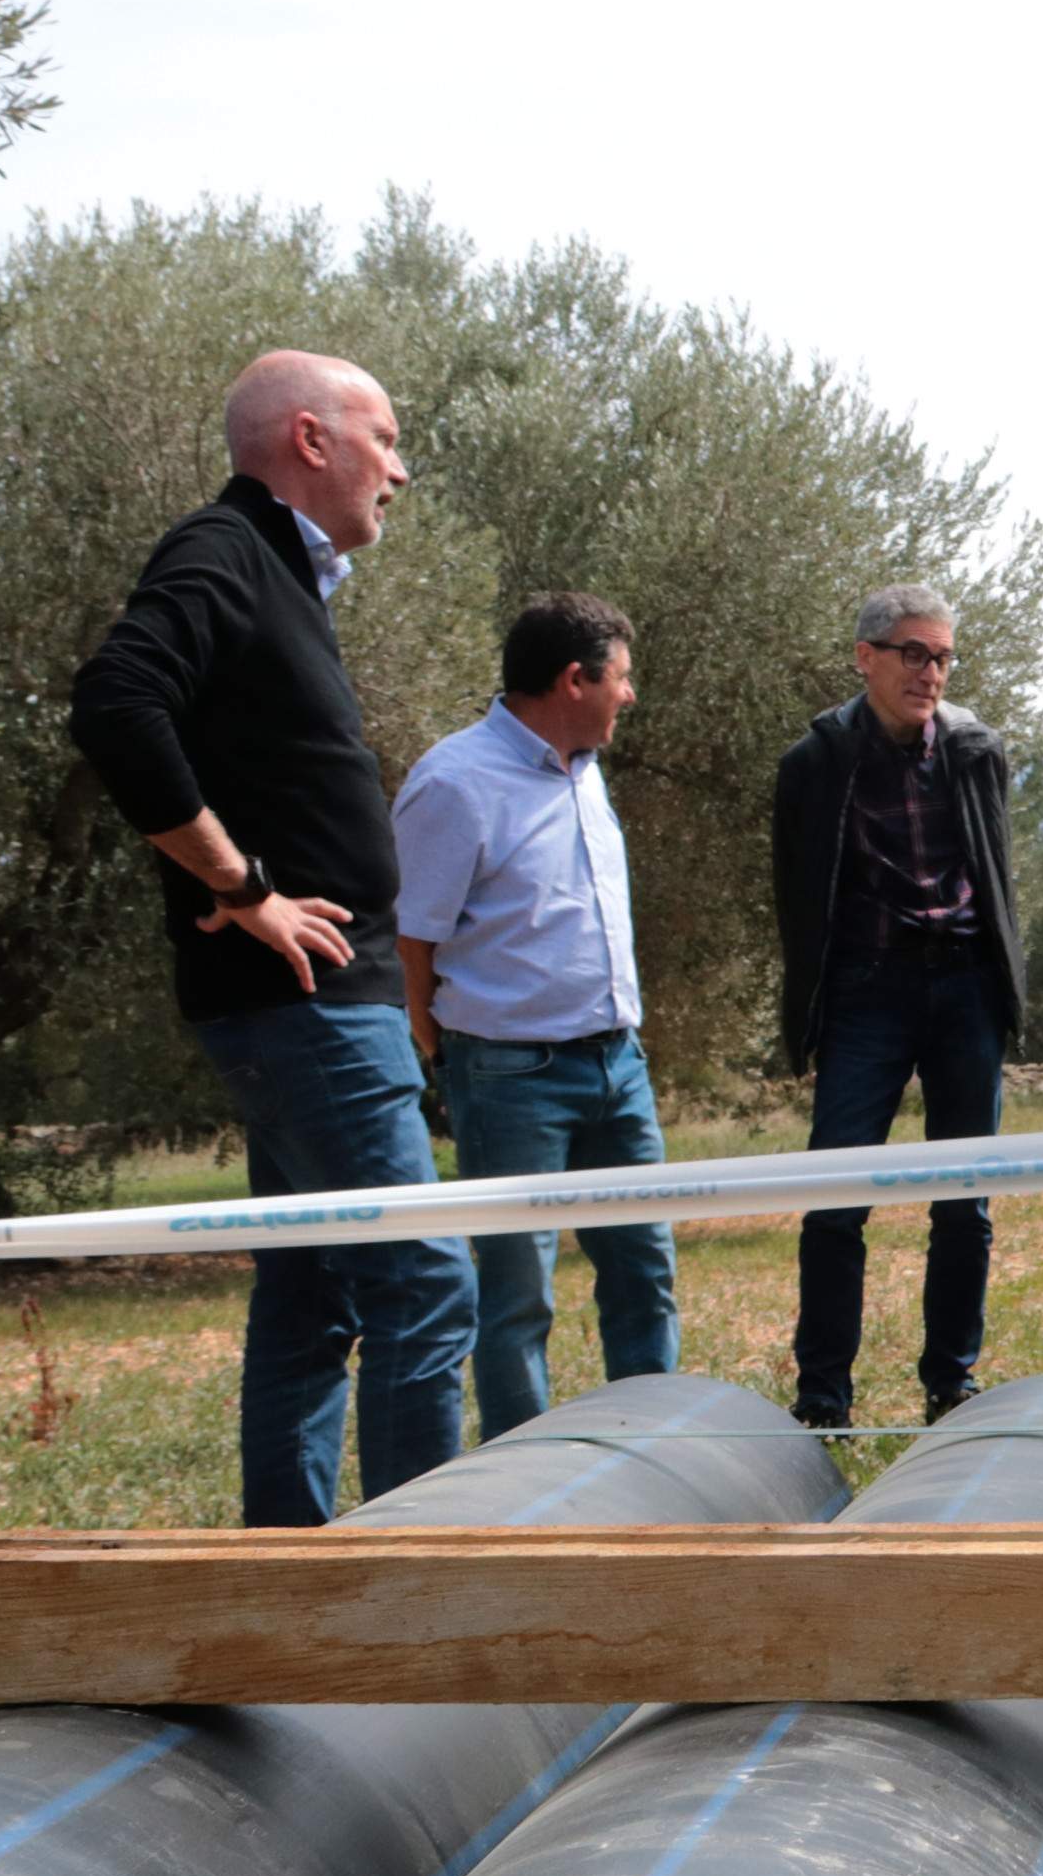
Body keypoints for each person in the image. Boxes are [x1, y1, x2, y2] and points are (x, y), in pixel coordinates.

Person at [71, 349, 474, 1525]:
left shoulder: (278, 572)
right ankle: (413, 1597)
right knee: (423, 1281)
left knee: (312, 1296)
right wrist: (246, 885)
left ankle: (285, 1574)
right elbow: (115, 704)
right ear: (310, 439)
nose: (399, 469)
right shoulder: (225, 550)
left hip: (318, 1005)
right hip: (300, 1002)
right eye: (385, 438)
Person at [394, 592, 678, 1444]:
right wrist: (445, 1046)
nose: (630, 696)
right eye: (621, 679)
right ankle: (529, 1477)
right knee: (518, 1295)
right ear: (573, 679)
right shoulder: (453, 781)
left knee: (644, 1270)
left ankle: (651, 1457)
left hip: (618, 1066)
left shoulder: (587, 772)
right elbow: (412, 939)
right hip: (511, 1076)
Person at [772, 582, 1029, 1428]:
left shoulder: (976, 749)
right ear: (866, 657)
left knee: (967, 1201)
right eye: (913, 653)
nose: (931, 672)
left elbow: (996, 879)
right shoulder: (813, 762)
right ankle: (823, 1399)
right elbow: (794, 898)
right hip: (866, 994)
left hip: (963, 989)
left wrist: (1002, 988)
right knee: (836, 1199)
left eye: (943, 656)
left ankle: (951, 1386)